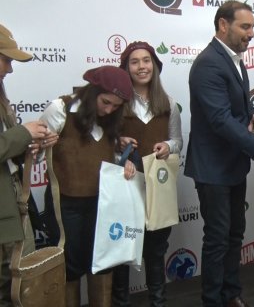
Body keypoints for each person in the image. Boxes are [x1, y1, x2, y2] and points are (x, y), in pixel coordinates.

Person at [184, 0, 254, 307]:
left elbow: (242, 110)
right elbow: (221, 119)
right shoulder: (209, 63)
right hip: (212, 169)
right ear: (224, 25)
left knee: (235, 234)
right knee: (217, 239)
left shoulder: (236, 60)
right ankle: (212, 301)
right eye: (245, 26)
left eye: (252, 27)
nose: (251, 33)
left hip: (233, 165)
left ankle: (231, 293)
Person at [39, 65, 134, 307]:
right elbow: (36, 154)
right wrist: (40, 143)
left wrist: (121, 160)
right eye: (105, 102)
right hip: (66, 203)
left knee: (102, 261)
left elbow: (104, 158)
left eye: (116, 106)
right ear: (93, 92)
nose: (109, 109)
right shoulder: (60, 109)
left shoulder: (111, 119)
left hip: (101, 203)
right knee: (69, 266)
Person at [112, 41, 183, 306]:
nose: (141, 67)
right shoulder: (117, 104)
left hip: (157, 187)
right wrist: (118, 147)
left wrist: (168, 146)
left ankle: (158, 301)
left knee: (156, 251)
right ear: (126, 68)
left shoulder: (168, 104)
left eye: (146, 60)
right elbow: (105, 143)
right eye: (134, 62)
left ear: (154, 64)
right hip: (126, 186)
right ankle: (120, 302)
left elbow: (177, 141)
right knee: (123, 248)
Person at [0, 23, 57, 305]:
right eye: (6, 59)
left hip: (11, 210)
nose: (9, 69)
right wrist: (23, 134)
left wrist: (31, 146)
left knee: (16, 285)